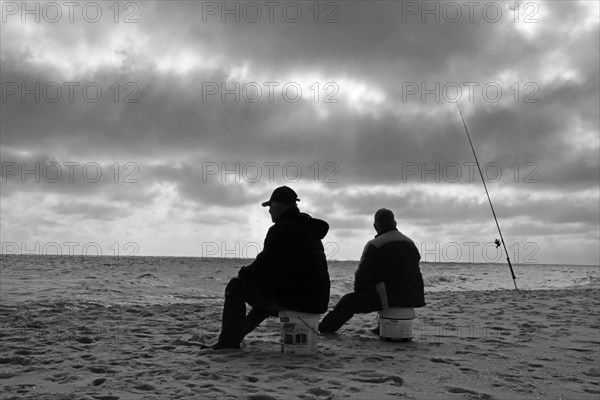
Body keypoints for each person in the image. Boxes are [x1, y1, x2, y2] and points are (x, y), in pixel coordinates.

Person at [211, 186, 330, 349]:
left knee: (236, 286)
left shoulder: (282, 229)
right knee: (265, 295)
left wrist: (244, 272)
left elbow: (264, 265)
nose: (269, 211)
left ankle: (227, 342)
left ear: (281, 205)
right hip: (316, 299)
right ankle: (235, 337)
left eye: (270, 206)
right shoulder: (309, 229)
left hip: (299, 299)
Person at [318, 208, 425, 333]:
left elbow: (362, 276)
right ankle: (382, 326)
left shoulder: (375, 244)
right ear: (395, 224)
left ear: (375, 226)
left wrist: (360, 293)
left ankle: (324, 329)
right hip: (415, 296)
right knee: (386, 284)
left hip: (391, 297)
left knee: (349, 301)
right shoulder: (410, 243)